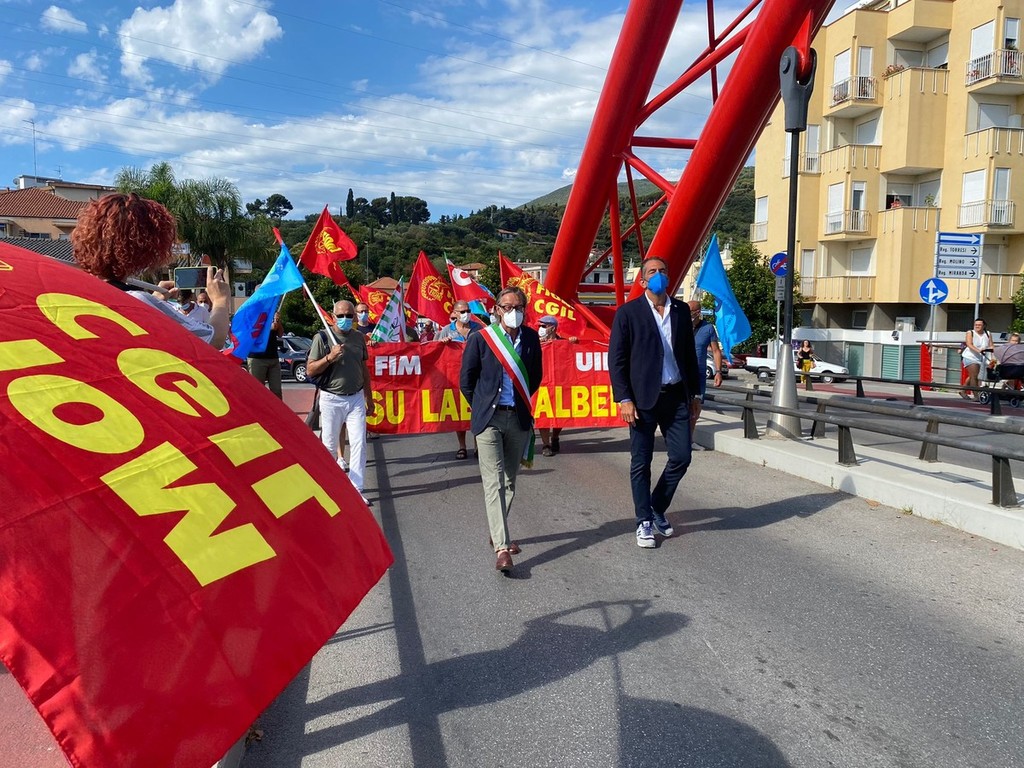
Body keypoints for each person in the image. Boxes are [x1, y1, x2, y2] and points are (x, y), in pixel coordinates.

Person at [608, 257, 701, 549]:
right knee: (641, 462)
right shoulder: (628, 313)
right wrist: (624, 398)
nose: (658, 275)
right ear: (643, 280)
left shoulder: (681, 311)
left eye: (663, 271)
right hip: (642, 400)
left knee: (682, 457)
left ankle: (657, 505)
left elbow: (689, 355)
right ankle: (644, 521)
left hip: (676, 396)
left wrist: (695, 394)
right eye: (652, 271)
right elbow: (617, 359)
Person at [70, 192, 230, 348]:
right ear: (145, 247)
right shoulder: (137, 301)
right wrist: (220, 300)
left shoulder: (74, 296)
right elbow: (213, 340)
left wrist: (155, 302)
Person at [460, 287, 542, 572]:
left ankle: (497, 531)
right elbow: (466, 380)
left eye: (518, 307)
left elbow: (535, 376)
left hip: (517, 418)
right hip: (489, 420)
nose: (512, 312)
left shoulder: (531, 338)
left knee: (509, 481)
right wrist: (481, 407)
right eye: (507, 307)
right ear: (496, 309)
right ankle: (502, 548)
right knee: (493, 481)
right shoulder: (481, 339)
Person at [306, 300, 374, 503]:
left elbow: (364, 369)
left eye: (349, 315)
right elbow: (310, 370)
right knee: (328, 445)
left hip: (355, 398)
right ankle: (329, 489)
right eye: (341, 315)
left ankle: (356, 489)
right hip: (331, 399)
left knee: (359, 443)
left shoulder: (358, 337)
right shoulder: (322, 337)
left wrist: (369, 398)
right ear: (333, 316)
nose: (345, 319)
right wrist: (330, 357)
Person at [438, 300, 485, 459]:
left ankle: (478, 446)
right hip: (455, 378)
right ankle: (462, 446)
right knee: (459, 411)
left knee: (477, 411)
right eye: (462, 311)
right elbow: (436, 350)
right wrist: (442, 343)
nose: (466, 314)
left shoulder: (478, 329)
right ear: (455, 313)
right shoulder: (447, 330)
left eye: (468, 311)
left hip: (477, 377)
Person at [536, 314, 578, 457]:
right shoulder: (536, 343)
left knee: (560, 412)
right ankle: (546, 444)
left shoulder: (562, 342)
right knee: (543, 414)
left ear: (552, 328)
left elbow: (573, 357)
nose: (540, 328)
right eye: (539, 326)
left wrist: (573, 343)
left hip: (561, 383)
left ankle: (555, 436)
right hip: (542, 383)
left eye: (544, 326)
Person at [687, 300, 723, 450]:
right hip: (681, 374)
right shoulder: (680, 325)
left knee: (695, 408)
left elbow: (715, 351)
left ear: (698, 312)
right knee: (679, 407)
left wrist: (718, 372)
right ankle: (677, 440)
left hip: (699, 374)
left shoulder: (708, 328)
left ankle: (689, 441)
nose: (688, 314)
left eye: (690, 311)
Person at [247, 311, 284, 399]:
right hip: (257, 358)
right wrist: (270, 327)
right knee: (258, 390)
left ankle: (277, 408)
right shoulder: (253, 314)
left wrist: (277, 321)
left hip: (273, 357)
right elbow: (253, 331)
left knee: (276, 390)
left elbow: (280, 334)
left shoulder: (272, 314)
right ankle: (258, 408)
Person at [961, 318, 993, 399]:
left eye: (979, 325)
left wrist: (992, 353)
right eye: (976, 325)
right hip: (970, 356)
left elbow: (991, 345)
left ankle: (963, 391)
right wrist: (979, 350)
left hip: (982, 358)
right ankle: (976, 395)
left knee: (973, 375)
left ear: (984, 326)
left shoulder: (988, 333)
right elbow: (969, 344)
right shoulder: (970, 332)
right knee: (975, 376)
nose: (977, 326)